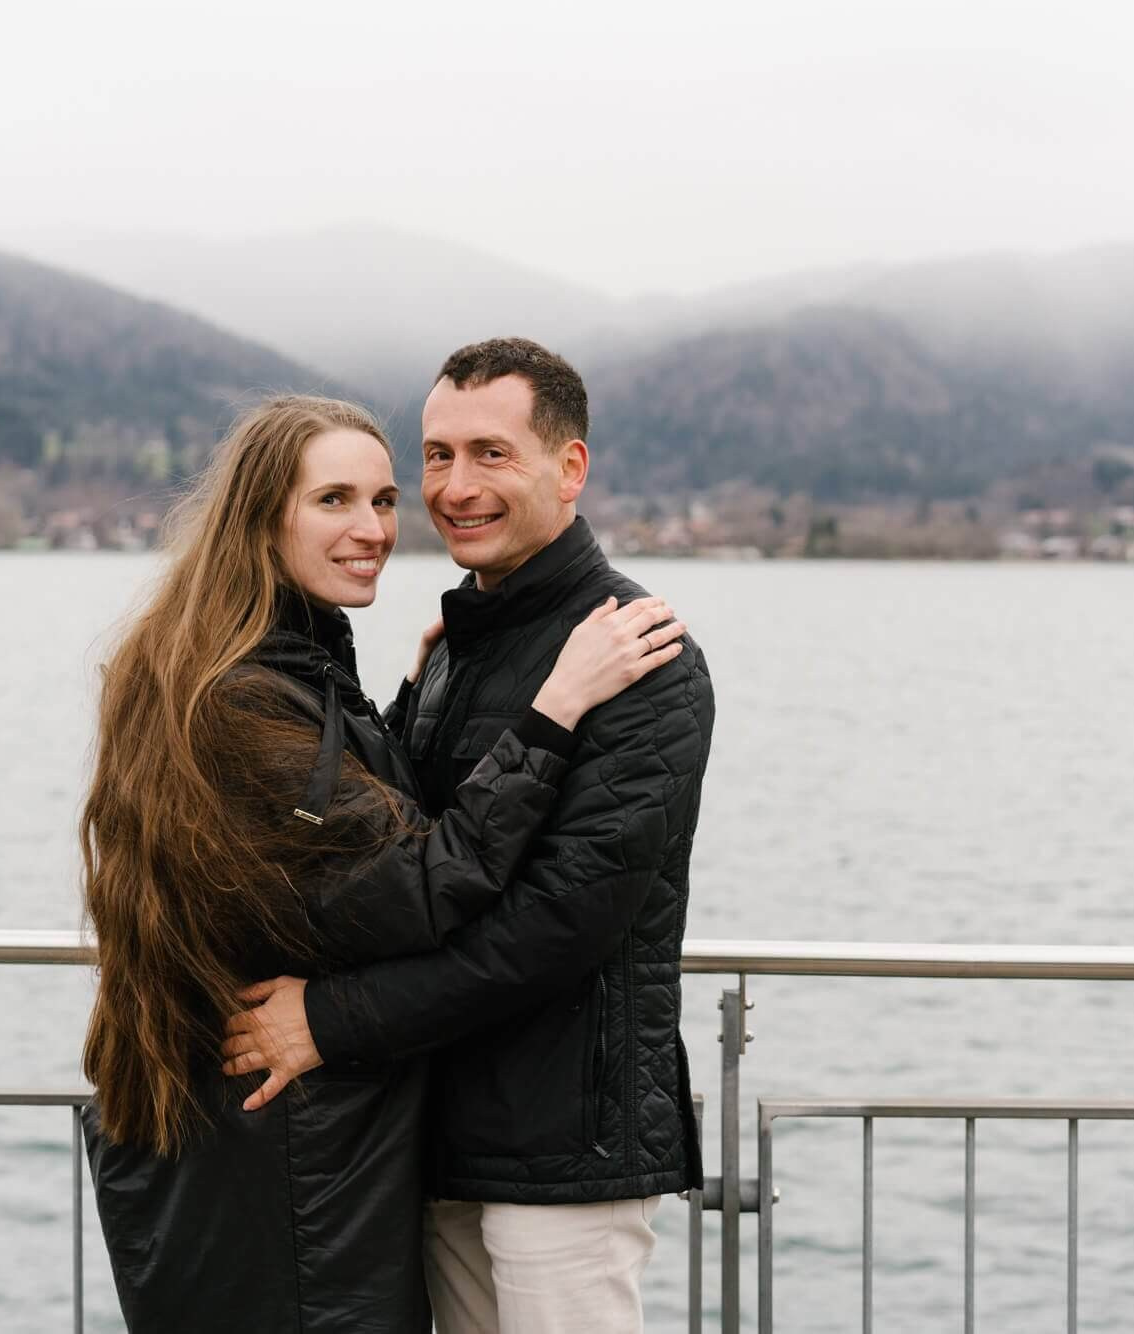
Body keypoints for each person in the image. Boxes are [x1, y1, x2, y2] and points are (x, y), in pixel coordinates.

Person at [78, 394, 686, 1333]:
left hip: (348, 1135)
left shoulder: (263, 657)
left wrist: (413, 700)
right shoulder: (239, 691)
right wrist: (551, 705)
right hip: (283, 1138)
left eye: (382, 497)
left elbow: (364, 848)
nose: (374, 528)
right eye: (334, 500)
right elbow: (414, 880)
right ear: (259, 517)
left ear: (569, 470)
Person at [223, 339, 717, 1333]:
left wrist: (331, 1019)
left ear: (566, 467)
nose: (455, 486)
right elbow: (411, 869)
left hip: (562, 1145)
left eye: (490, 453)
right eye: (437, 456)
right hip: (437, 1129)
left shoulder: (639, 653)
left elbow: (555, 926)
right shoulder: (457, 648)